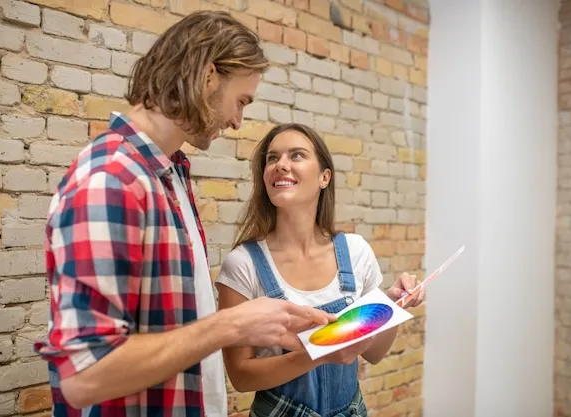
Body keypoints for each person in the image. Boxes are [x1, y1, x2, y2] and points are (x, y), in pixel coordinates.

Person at [34, 12, 335, 417]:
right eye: (241, 101)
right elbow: (86, 376)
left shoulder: (170, 173)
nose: (236, 121)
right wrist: (232, 325)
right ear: (209, 76)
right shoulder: (112, 180)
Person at [215, 123, 425, 417]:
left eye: (296, 155)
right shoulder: (243, 265)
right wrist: (319, 352)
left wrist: (393, 304)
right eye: (272, 158)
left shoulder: (355, 251)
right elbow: (241, 377)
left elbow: (374, 354)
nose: (281, 165)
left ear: (324, 177)